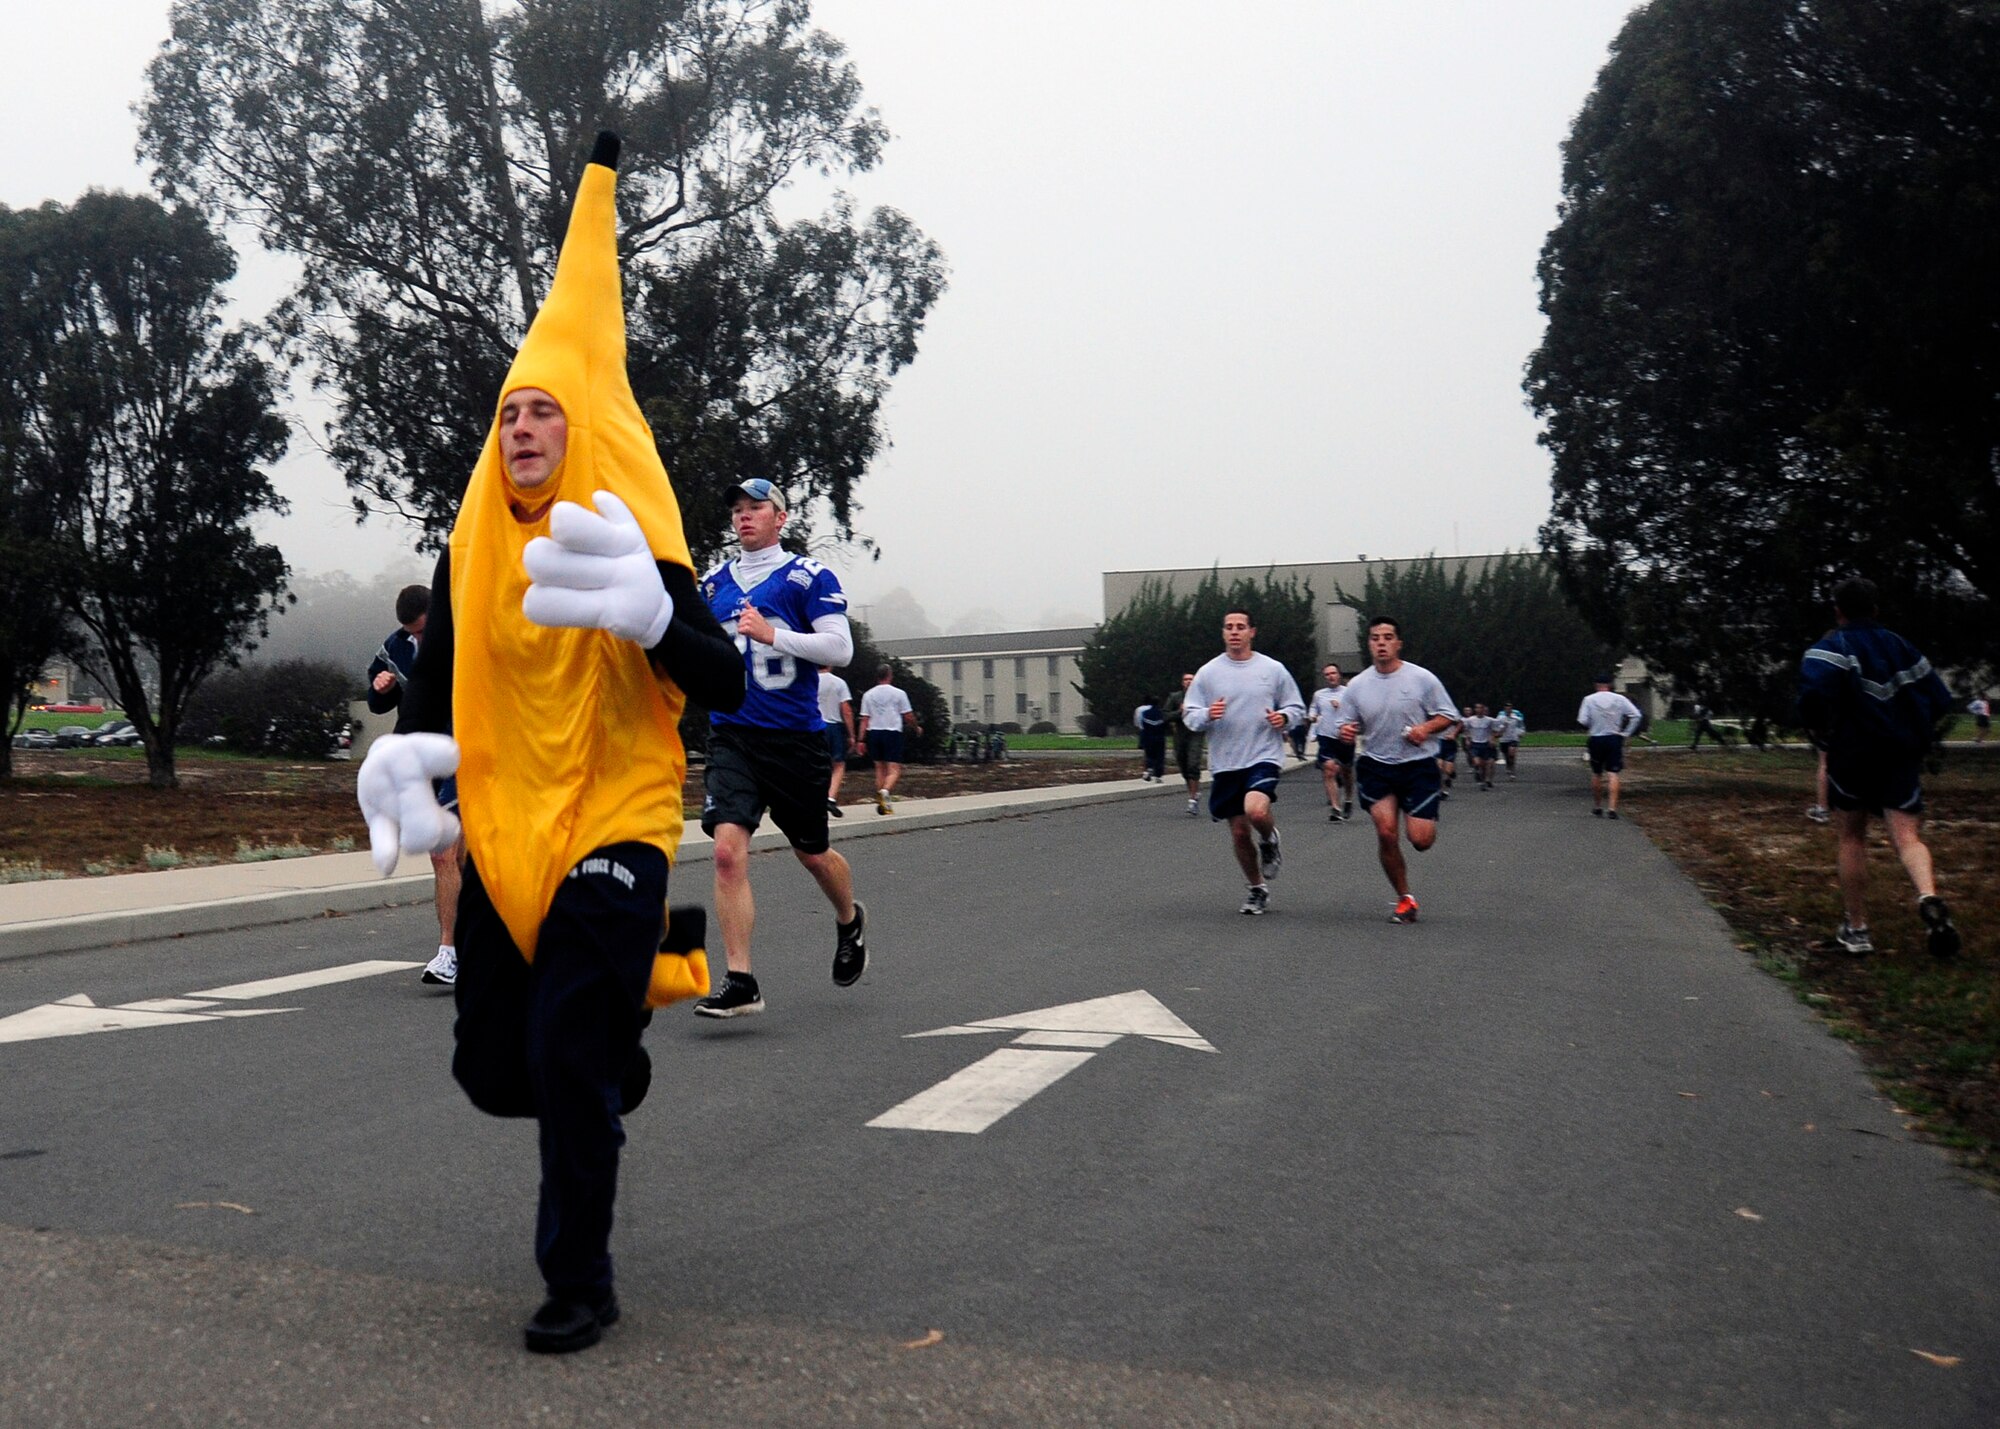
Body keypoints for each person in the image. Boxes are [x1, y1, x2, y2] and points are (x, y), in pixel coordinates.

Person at [356, 133, 745, 1354]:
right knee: (495, 1071)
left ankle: (579, 1278)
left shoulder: (630, 528)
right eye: (509, 413)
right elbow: (441, 688)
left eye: (542, 411)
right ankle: (634, 1004)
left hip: (616, 819)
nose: (523, 427)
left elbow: (721, 675)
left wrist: (652, 611)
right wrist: (408, 761)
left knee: (570, 1051)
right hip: (508, 835)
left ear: (575, 428)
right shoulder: (469, 547)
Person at [694, 478, 868, 1019]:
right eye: (738, 510)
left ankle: (849, 919)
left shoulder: (808, 576)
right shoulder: (712, 582)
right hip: (732, 736)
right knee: (726, 852)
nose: (744, 517)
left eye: (756, 508)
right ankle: (741, 979)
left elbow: (840, 647)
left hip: (795, 740)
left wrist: (774, 637)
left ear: (780, 518)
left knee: (813, 853)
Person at [1798, 577, 1959, 959]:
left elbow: (1811, 703)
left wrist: (1823, 732)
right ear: (1876, 609)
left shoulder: (1827, 650)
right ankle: (1928, 895)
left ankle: (1857, 929)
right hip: (1899, 755)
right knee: (1908, 838)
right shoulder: (1902, 647)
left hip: (1852, 755)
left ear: (1837, 611)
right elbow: (1939, 698)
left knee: (1852, 838)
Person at [366, 583, 463, 986]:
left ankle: (452, 950)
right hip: (421, 756)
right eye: (412, 633)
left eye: (423, 630)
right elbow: (376, 701)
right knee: (448, 857)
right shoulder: (395, 647)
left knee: (454, 856)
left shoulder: (462, 635)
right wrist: (381, 690)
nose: (418, 638)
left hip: (464, 752)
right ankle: (457, 949)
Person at [1181, 609, 1305, 915]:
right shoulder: (1208, 673)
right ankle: (1256, 888)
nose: (1235, 632)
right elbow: (1190, 715)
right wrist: (1208, 714)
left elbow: (1296, 706)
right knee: (1238, 831)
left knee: (1256, 809)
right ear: (1223, 633)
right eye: (1229, 627)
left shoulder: (1272, 669)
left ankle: (1269, 838)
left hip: (1263, 755)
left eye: (1240, 627)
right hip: (1227, 762)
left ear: (1252, 632)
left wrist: (1284, 716)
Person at [1338, 616, 1460, 924]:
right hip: (1377, 765)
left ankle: (1422, 819)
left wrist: (1425, 728)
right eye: (1375, 637)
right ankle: (1405, 898)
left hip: (1418, 765)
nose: (1381, 642)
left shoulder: (1422, 679)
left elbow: (1448, 715)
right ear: (1369, 644)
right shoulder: (1357, 685)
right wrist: (1347, 732)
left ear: (1398, 643)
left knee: (1420, 839)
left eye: (1387, 637)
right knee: (1386, 832)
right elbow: (1348, 724)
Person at [857, 665, 921, 813]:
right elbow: (908, 715)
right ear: (890, 675)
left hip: (874, 732)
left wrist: (861, 740)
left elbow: (864, 719)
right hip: (892, 732)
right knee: (894, 770)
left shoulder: (868, 695)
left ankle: (884, 805)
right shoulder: (899, 693)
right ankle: (885, 791)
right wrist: (916, 727)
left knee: (880, 768)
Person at [1578, 675, 1643, 818]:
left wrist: (1592, 724)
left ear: (1596, 685)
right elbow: (1636, 715)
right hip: (1614, 737)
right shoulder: (1619, 699)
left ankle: (1597, 806)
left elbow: (1582, 720)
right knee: (1613, 773)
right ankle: (1612, 808)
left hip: (1596, 737)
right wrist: (1626, 733)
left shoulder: (1589, 699)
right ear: (1610, 685)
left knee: (1596, 773)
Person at [1308, 662, 1354, 821]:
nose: (1331, 677)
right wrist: (1312, 716)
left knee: (1346, 771)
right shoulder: (1319, 694)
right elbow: (1313, 708)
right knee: (1329, 769)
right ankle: (1336, 808)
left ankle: (1348, 799)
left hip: (1344, 737)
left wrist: (1340, 706)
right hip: (1325, 736)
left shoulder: (1349, 693)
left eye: (1333, 673)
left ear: (1339, 675)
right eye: (1327, 674)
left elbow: (1356, 712)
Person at [1163, 671, 1204, 816]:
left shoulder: (1202, 697)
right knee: (1184, 765)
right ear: (1182, 683)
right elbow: (1165, 715)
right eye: (1186, 679)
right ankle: (1194, 791)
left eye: (1191, 679)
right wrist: (1179, 712)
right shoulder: (1175, 697)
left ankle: (1192, 799)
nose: (1188, 682)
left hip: (1196, 734)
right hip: (1180, 735)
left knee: (1193, 763)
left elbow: (1208, 713)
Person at [817, 665, 855, 817]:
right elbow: (846, 709)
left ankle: (815, 798)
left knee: (817, 764)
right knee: (838, 764)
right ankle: (830, 798)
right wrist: (852, 734)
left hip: (813, 725)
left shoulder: (809, 680)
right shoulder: (838, 682)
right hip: (833, 725)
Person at [1463, 702, 1497, 791]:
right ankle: (1477, 770)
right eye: (1477, 708)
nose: (1479, 710)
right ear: (1475, 709)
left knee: (1484, 765)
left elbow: (1493, 731)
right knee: (1477, 762)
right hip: (1475, 744)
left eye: (1481, 708)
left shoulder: (1489, 720)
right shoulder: (1470, 720)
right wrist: (1467, 739)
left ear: (1483, 709)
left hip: (1485, 744)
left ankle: (1483, 782)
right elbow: (1467, 730)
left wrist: (1492, 739)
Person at [1134, 698, 1168, 782]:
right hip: (1160, 738)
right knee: (1159, 757)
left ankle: (1148, 769)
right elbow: (1165, 726)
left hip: (1148, 737)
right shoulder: (1162, 714)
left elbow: (1142, 726)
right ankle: (1158, 776)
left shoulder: (1145, 713)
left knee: (1149, 755)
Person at [1494, 700, 1524, 779]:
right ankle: (1508, 765)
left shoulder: (1516, 718)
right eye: (1507, 708)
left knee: (1512, 754)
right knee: (1506, 755)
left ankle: (1512, 771)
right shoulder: (1500, 718)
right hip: (1504, 739)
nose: (1508, 709)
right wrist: (1502, 727)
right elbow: (1496, 727)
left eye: (1510, 708)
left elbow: (1521, 726)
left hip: (1513, 738)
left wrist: (1521, 732)